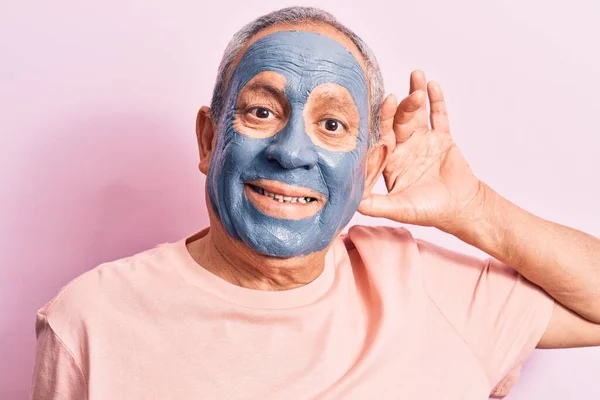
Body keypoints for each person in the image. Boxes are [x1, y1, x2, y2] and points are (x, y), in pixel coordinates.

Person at [30, 6, 600, 400]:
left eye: (331, 123)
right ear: (209, 140)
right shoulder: (91, 322)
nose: (292, 151)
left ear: (369, 166)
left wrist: (473, 207)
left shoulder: (418, 281)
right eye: (261, 111)